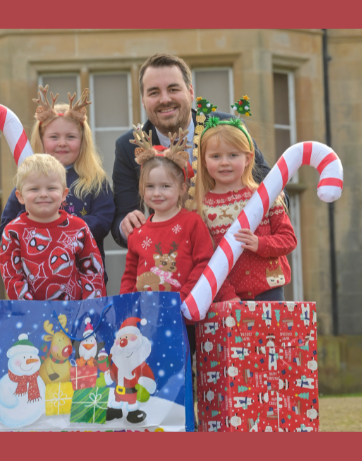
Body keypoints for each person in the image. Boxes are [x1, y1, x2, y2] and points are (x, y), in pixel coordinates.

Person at [111, 53, 274, 248]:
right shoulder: (129, 147)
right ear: (144, 100)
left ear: (190, 92)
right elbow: (120, 221)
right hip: (172, 259)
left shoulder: (228, 127)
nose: (164, 99)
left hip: (235, 253)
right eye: (154, 92)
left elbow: (275, 193)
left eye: (173, 89)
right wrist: (126, 225)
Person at [118, 126, 230, 356]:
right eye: (150, 187)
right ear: (141, 189)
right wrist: (126, 307)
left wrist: (184, 299)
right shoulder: (138, 232)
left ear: (182, 188)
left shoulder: (192, 223)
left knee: (182, 371)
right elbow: (130, 273)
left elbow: (204, 262)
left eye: (165, 186)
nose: (156, 193)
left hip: (182, 316)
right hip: (144, 319)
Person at [0, 86, 114, 282]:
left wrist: (61, 228)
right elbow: (5, 231)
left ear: (82, 141)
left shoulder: (95, 180)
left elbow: (103, 222)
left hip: (84, 280)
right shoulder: (28, 182)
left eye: (70, 137)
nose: (62, 143)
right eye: (54, 137)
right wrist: (36, 225)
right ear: (41, 140)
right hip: (37, 282)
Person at [194, 114, 297, 302]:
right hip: (227, 297)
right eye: (216, 156)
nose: (225, 162)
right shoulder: (202, 209)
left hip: (270, 290)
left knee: (272, 333)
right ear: (204, 160)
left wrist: (260, 244)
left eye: (233, 155)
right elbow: (205, 260)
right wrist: (226, 294)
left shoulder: (268, 197)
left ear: (249, 158)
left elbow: (289, 240)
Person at [0, 154, 106, 301]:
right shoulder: (12, 232)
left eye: (51, 188)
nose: (43, 194)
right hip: (31, 318)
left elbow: (93, 270)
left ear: (64, 194)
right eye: (34, 189)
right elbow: (12, 277)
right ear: (20, 196)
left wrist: (89, 309)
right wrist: (31, 311)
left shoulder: (79, 228)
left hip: (76, 315)